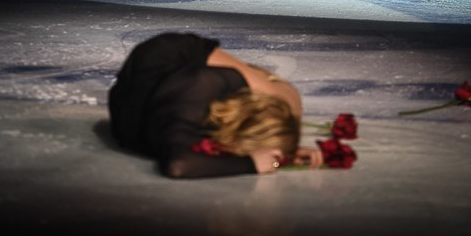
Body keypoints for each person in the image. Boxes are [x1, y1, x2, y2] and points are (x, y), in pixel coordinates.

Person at [108, 31, 323, 178]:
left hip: (141, 98)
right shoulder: (198, 89)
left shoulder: (197, 113)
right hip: (172, 54)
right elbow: (179, 166)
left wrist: (285, 150)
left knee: (282, 108)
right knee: (285, 100)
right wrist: (251, 164)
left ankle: (273, 128)